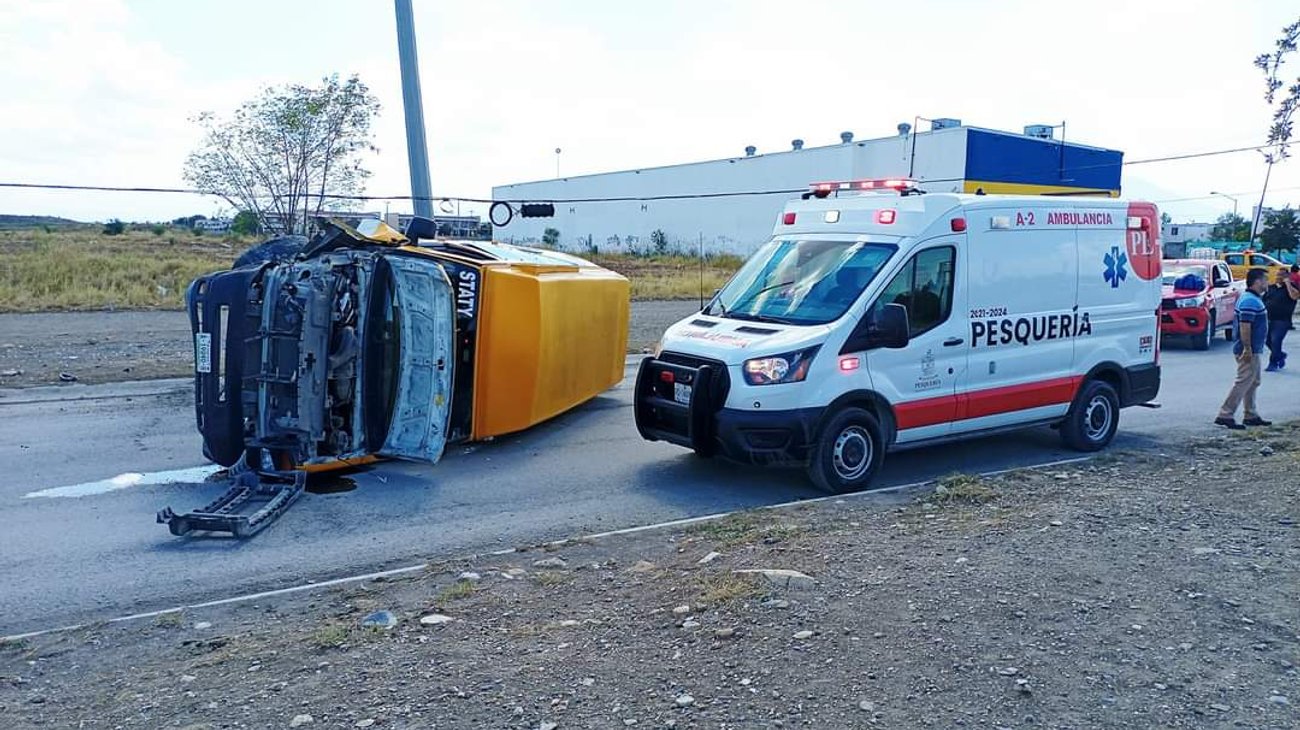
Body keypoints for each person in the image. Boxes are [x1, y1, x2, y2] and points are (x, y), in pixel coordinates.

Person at [1216, 268, 1272, 429]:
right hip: (1248, 349)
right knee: (1243, 381)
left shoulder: (1252, 298)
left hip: (1253, 349)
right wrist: (1247, 348)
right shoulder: (1250, 301)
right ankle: (1225, 414)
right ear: (1258, 282)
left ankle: (1251, 414)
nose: (1267, 283)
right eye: (1266, 280)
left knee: (1253, 381)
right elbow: (1245, 326)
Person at [1265, 265, 1300, 371]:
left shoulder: (1292, 288)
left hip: (1282, 320)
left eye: (1282, 275)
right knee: (1268, 341)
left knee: (1276, 340)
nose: (1279, 277)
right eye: (1278, 275)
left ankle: (1273, 363)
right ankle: (1280, 355)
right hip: (1268, 318)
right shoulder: (1271, 288)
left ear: (1287, 276)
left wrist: (1288, 283)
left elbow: (1295, 296)